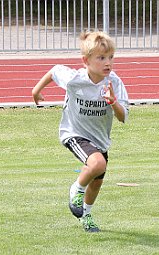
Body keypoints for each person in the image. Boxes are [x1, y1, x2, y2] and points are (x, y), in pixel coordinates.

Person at [32, 31, 129, 233]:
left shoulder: (114, 83)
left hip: (100, 140)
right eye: (101, 58)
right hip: (73, 133)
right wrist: (36, 90)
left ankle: (86, 215)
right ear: (86, 60)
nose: (107, 63)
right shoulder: (75, 79)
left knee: (96, 183)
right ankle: (75, 189)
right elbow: (55, 71)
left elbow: (122, 117)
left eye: (111, 57)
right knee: (97, 163)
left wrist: (114, 103)